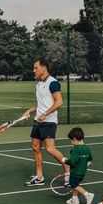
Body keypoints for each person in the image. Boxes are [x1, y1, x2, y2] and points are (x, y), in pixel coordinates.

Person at [23, 57, 69, 186]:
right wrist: (30, 111)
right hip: (38, 121)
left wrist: (45, 114)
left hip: (49, 121)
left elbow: (59, 102)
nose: (34, 70)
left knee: (50, 149)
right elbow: (41, 104)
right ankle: (39, 177)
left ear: (44, 68)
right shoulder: (38, 84)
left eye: (36, 68)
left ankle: (68, 170)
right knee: (35, 147)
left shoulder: (53, 83)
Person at [61, 127, 94, 204]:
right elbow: (90, 159)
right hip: (82, 172)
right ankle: (74, 199)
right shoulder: (87, 148)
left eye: (71, 140)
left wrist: (65, 160)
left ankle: (87, 195)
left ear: (75, 139)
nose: (71, 142)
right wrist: (87, 163)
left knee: (74, 184)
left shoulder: (76, 149)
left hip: (75, 171)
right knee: (75, 184)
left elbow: (72, 162)